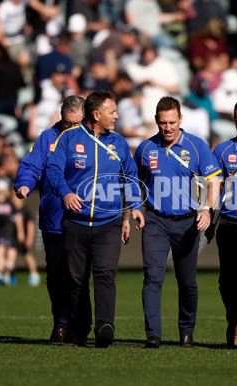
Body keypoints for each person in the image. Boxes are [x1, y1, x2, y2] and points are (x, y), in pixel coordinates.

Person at [46, 91, 145, 348]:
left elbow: (130, 177)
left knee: (105, 274)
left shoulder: (120, 143)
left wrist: (134, 206)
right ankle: (81, 330)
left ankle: (104, 327)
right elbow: (53, 170)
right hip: (75, 223)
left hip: (108, 223)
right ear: (96, 114)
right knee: (76, 281)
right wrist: (65, 192)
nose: (117, 116)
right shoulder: (68, 138)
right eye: (112, 112)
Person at [134, 96, 221, 348]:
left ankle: (186, 332)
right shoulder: (145, 149)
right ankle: (153, 335)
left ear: (180, 119)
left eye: (172, 122)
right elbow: (134, 182)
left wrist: (207, 208)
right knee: (152, 277)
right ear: (156, 121)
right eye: (163, 123)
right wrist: (135, 209)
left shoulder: (196, 146)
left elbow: (213, 180)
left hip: (186, 223)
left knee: (187, 281)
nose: (168, 128)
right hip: (155, 221)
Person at [15, 95, 86, 343]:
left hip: (84, 220)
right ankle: (61, 324)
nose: (71, 128)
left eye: (77, 123)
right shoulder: (48, 138)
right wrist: (25, 184)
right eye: (68, 123)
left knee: (79, 278)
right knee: (56, 278)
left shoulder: (92, 139)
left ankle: (80, 327)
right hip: (54, 220)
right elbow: (31, 165)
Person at [204, 99, 237, 347]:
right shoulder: (223, 150)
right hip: (228, 222)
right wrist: (210, 220)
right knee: (228, 282)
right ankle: (234, 322)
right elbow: (214, 188)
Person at [11, 193, 41, 287]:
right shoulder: (12, 210)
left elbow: (30, 225)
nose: (14, 200)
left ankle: (34, 275)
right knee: (12, 256)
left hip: (24, 239)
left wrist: (29, 239)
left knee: (27, 256)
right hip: (13, 238)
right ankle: (10, 276)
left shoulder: (25, 210)